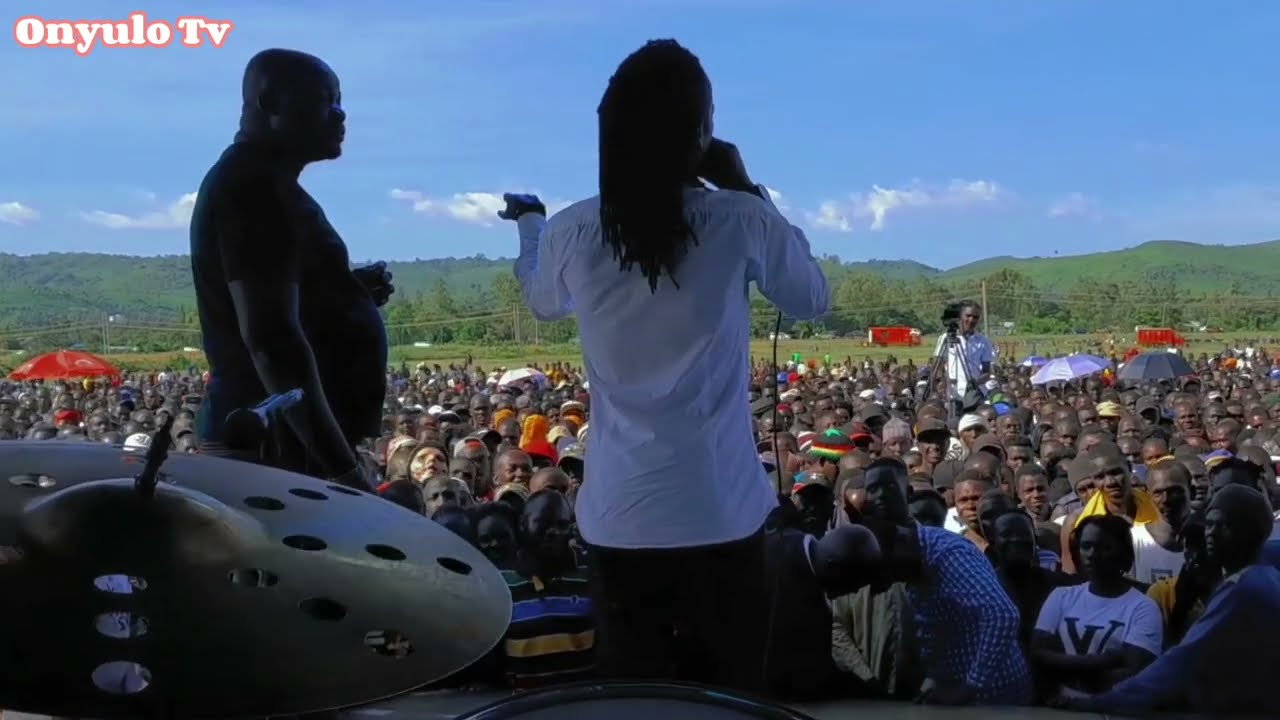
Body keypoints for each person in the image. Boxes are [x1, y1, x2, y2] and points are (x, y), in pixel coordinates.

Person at [497, 39, 828, 691]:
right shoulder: (738, 218)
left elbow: (542, 300)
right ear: (703, 134)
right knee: (730, 699)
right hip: (723, 514)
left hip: (618, 519)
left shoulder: (573, 230)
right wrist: (743, 183)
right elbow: (810, 296)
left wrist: (531, 223)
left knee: (633, 699)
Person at [189, 48, 391, 489]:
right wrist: (344, 471)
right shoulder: (254, 188)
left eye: (340, 100)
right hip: (272, 446)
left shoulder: (265, 183)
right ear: (269, 102)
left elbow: (274, 300)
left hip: (283, 443)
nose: (340, 115)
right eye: (324, 100)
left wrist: (344, 294)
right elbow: (271, 340)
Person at [1057, 485, 1280, 716]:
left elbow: (1181, 662)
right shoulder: (1265, 575)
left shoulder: (1241, 589)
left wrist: (1100, 701)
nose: (1211, 533)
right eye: (1210, 524)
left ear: (1251, 532)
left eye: (1224, 525)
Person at [933, 300, 994, 403]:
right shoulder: (945, 338)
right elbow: (936, 366)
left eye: (975, 317)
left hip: (974, 392)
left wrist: (974, 383)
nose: (971, 320)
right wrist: (943, 382)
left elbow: (986, 372)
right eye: (968, 316)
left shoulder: (983, 341)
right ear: (960, 317)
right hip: (951, 391)